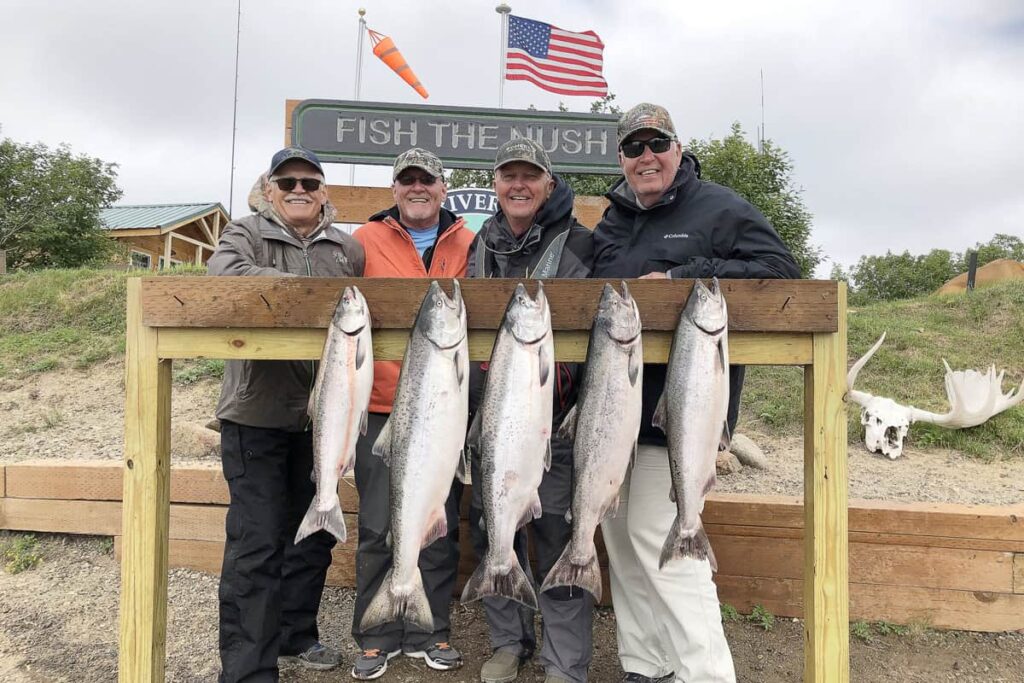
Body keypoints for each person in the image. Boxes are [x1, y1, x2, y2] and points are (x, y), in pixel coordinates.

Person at [592, 103, 801, 683]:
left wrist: (683, 278)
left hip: (682, 416)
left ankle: (704, 674)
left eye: (656, 143)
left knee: (666, 545)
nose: (645, 156)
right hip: (614, 421)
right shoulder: (611, 221)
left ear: (677, 149)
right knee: (626, 547)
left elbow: (780, 270)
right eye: (632, 148)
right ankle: (646, 664)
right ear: (621, 159)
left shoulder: (721, 207)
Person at [207, 146, 366, 682]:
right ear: (270, 189)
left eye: (310, 182)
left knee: (314, 534)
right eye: (288, 181)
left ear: (324, 192)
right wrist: (311, 294)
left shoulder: (347, 247)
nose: (299, 190)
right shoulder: (245, 234)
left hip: (323, 421)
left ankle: (298, 633)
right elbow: (226, 279)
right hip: (256, 414)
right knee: (256, 541)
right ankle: (250, 666)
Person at [466, 137, 595, 683]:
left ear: (548, 182)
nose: (518, 185)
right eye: (508, 175)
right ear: (496, 184)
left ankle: (564, 663)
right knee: (494, 527)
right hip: (496, 421)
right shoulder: (482, 243)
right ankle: (507, 642)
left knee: (559, 536)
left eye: (530, 175)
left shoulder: (584, 243)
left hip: (559, 421)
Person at [349, 147, 476, 680]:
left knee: (438, 523)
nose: (417, 188)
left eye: (427, 179)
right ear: (394, 189)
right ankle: (376, 632)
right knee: (380, 524)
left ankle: (430, 629)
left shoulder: (469, 241)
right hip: (381, 406)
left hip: (445, 414)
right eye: (407, 180)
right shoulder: (364, 240)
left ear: (443, 188)